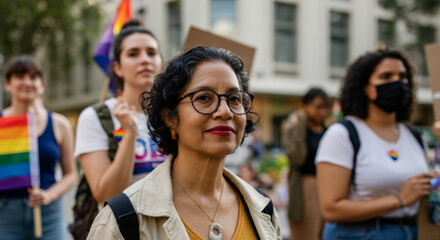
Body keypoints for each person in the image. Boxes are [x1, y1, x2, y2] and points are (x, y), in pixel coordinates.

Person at [87, 46, 281, 239]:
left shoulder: (263, 210)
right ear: (170, 117)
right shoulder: (123, 220)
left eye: (234, 98)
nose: (225, 111)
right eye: (204, 97)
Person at [315, 48, 435, 239]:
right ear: (365, 87)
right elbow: (331, 209)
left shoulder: (415, 136)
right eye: (386, 76)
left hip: (410, 232)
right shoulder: (342, 134)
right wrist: (400, 199)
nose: (398, 82)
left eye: (403, 76)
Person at [74, 20, 165, 207]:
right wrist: (130, 133)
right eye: (133, 54)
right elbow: (107, 196)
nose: (144, 60)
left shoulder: (175, 114)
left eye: (151, 53)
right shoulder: (96, 117)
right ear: (117, 67)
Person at [0, 56, 77, 239]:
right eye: (19, 76)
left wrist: (49, 195)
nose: (27, 82)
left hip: (49, 213)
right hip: (5, 215)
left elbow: (71, 174)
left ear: (41, 85)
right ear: (7, 84)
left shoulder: (59, 123)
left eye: (34, 77)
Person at [281, 87, 329, 240]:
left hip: (327, 187)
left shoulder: (327, 130)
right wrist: (300, 126)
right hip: (305, 187)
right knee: (306, 235)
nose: (322, 112)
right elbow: (296, 158)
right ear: (305, 106)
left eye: (325, 107)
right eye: (317, 107)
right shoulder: (294, 128)